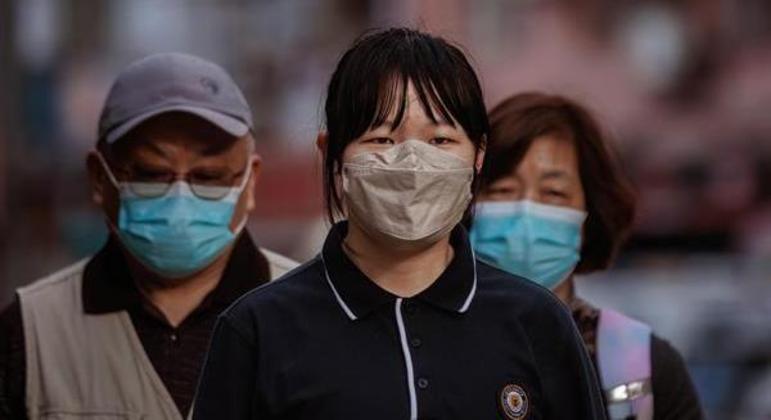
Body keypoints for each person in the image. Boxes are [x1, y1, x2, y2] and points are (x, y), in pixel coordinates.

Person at [193, 28, 607, 420]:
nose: (412, 164)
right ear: (331, 153)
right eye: (381, 140)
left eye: (440, 141)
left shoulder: (539, 323)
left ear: (479, 155)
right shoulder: (259, 330)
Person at [0, 53, 298, 420]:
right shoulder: (32, 333)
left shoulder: (315, 318)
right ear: (98, 177)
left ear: (250, 181)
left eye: (208, 176)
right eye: (151, 174)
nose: (180, 197)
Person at [469, 92, 703, 419]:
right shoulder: (428, 343)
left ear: (589, 218)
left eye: (553, 193)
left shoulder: (639, 365)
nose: (525, 211)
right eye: (502, 190)